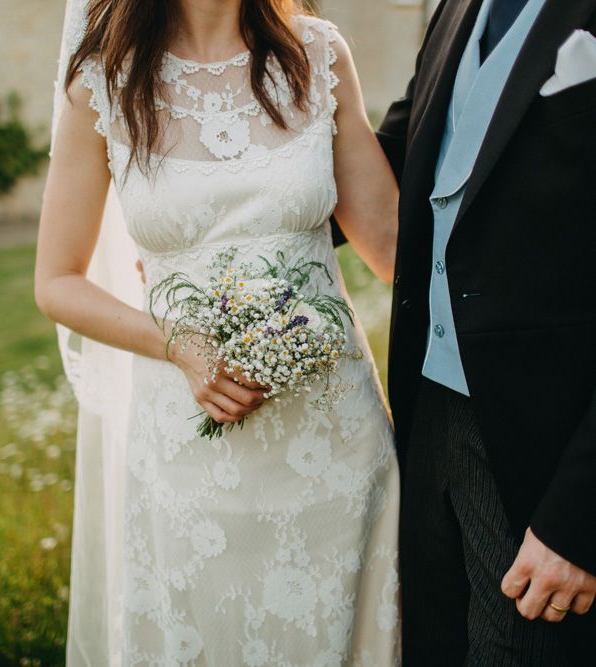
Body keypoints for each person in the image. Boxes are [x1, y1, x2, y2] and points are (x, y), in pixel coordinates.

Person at [35, 0, 402, 664]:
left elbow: (393, 247)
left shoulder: (317, 56)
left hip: (333, 450)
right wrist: (177, 343)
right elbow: (56, 280)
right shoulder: (103, 81)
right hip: (186, 457)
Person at [362, 0, 596, 663]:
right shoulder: (456, 7)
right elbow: (391, 158)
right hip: (426, 412)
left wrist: (580, 520)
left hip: (546, 454)